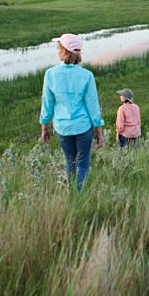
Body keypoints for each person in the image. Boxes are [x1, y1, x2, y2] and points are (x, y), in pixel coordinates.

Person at [39, 33, 104, 191]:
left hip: (63, 129)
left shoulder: (50, 74)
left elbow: (47, 103)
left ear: (63, 51)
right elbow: (93, 106)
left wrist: (44, 127)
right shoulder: (87, 75)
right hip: (83, 127)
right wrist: (99, 132)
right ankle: (80, 196)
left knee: (70, 163)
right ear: (77, 54)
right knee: (83, 163)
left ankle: (72, 195)